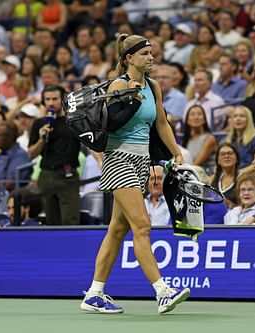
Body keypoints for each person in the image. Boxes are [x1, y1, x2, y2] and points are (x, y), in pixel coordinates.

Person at [80, 34, 190, 315]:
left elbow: (162, 123)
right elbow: (112, 125)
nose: (150, 58)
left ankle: (94, 293)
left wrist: (176, 151)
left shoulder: (154, 86)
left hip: (140, 162)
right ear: (129, 58)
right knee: (142, 226)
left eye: (152, 53)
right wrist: (129, 97)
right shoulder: (117, 85)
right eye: (144, 54)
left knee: (117, 230)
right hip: (119, 160)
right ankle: (162, 291)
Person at [28, 84, 81, 226]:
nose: (51, 103)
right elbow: (31, 154)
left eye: (55, 99)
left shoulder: (74, 121)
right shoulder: (39, 124)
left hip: (67, 175)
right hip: (46, 175)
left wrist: (100, 161)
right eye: (47, 99)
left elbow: (89, 144)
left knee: (70, 221)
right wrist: (41, 139)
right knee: (51, 222)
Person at [181, 105, 217, 174]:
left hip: (206, 175)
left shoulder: (210, 139)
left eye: (199, 114)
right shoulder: (185, 140)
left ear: (204, 119)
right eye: (192, 114)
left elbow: (197, 163)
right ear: (187, 120)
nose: (196, 117)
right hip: (191, 174)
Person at [210, 143, 240, 208]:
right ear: (218, 161)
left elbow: (248, 207)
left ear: (237, 159)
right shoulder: (213, 179)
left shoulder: (242, 178)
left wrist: (229, 204)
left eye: (230, 153)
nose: (226, 156)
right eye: (222, 154)